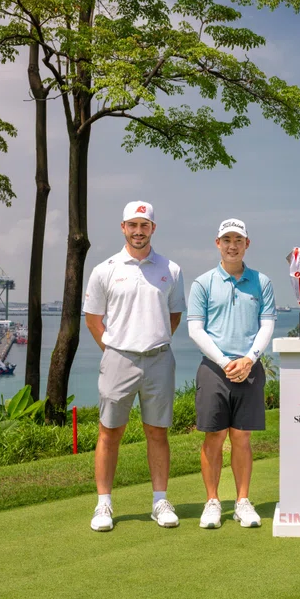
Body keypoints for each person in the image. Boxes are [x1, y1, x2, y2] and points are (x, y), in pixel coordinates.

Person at [83, 201, 186, 532]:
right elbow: (93, 318)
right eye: (133, 225)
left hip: (159, 358)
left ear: (153, 228)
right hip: (118, 359)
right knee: (109, 432)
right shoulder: (105, 269)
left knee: (157, 432)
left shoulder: (171, 270)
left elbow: (173, 314)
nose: (138, 231)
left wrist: (152, 340)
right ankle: (103, 505)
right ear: (123, 227)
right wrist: (114, 349)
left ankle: (159, 501)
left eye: (145, 225)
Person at [187, 218, 276, 529]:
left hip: (249, 367)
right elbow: (195, 329)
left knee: (242, 436)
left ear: (247, 244)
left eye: (238, 239)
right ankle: (212, 501)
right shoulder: (203, 283)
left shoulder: (261, 282)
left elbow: (266, 325)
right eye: (227, 240)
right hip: (214, 367)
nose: (233, 245)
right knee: (214, 437)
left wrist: (250, 358)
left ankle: (242, 501)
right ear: (217, 243)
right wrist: (225, 362)